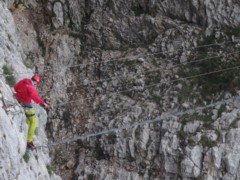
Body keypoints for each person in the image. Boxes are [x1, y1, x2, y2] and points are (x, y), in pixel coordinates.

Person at [14, 74, 49, 150]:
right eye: (37, 84)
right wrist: (44, 103)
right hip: (24, 103)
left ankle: (27, 134)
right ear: (36, 83)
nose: (36, 85)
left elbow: (15, 88)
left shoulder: (23, 81)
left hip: (17, 98)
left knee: (29, 120)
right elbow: (36, 98)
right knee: (34, 122)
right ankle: (29, 142)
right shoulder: (31, 88)